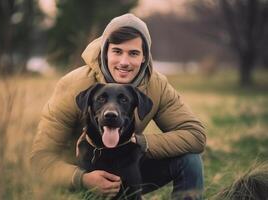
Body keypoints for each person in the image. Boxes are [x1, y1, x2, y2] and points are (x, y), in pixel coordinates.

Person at [30, 13, 206, 199]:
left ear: (144, 57)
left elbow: (195, 135)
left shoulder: (156, 86)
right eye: (117, 51)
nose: (124, 62)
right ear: (105, 52)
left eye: (133, 53)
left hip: (129, 170)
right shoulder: (74, 85)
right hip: (77, 174)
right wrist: (82, 179)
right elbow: (40, 159)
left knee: (190, 160)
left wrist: (141, 141)